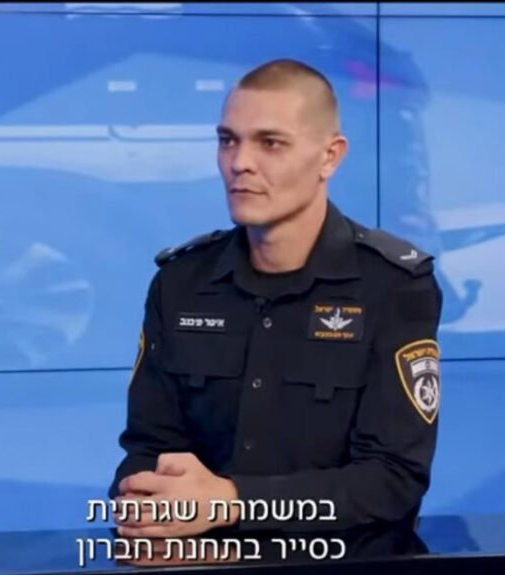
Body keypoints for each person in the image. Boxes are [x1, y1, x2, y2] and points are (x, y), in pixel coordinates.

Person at [108, 58, 443, 538]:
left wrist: (235, 502)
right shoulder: (180, 282)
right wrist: (145, 502)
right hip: (201, 563)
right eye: (228, 140)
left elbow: (393, 481)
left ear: (330, 157)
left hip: (343, 567)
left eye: (270, 143)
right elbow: (147, 447)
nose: (240, 162)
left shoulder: (393, 286)